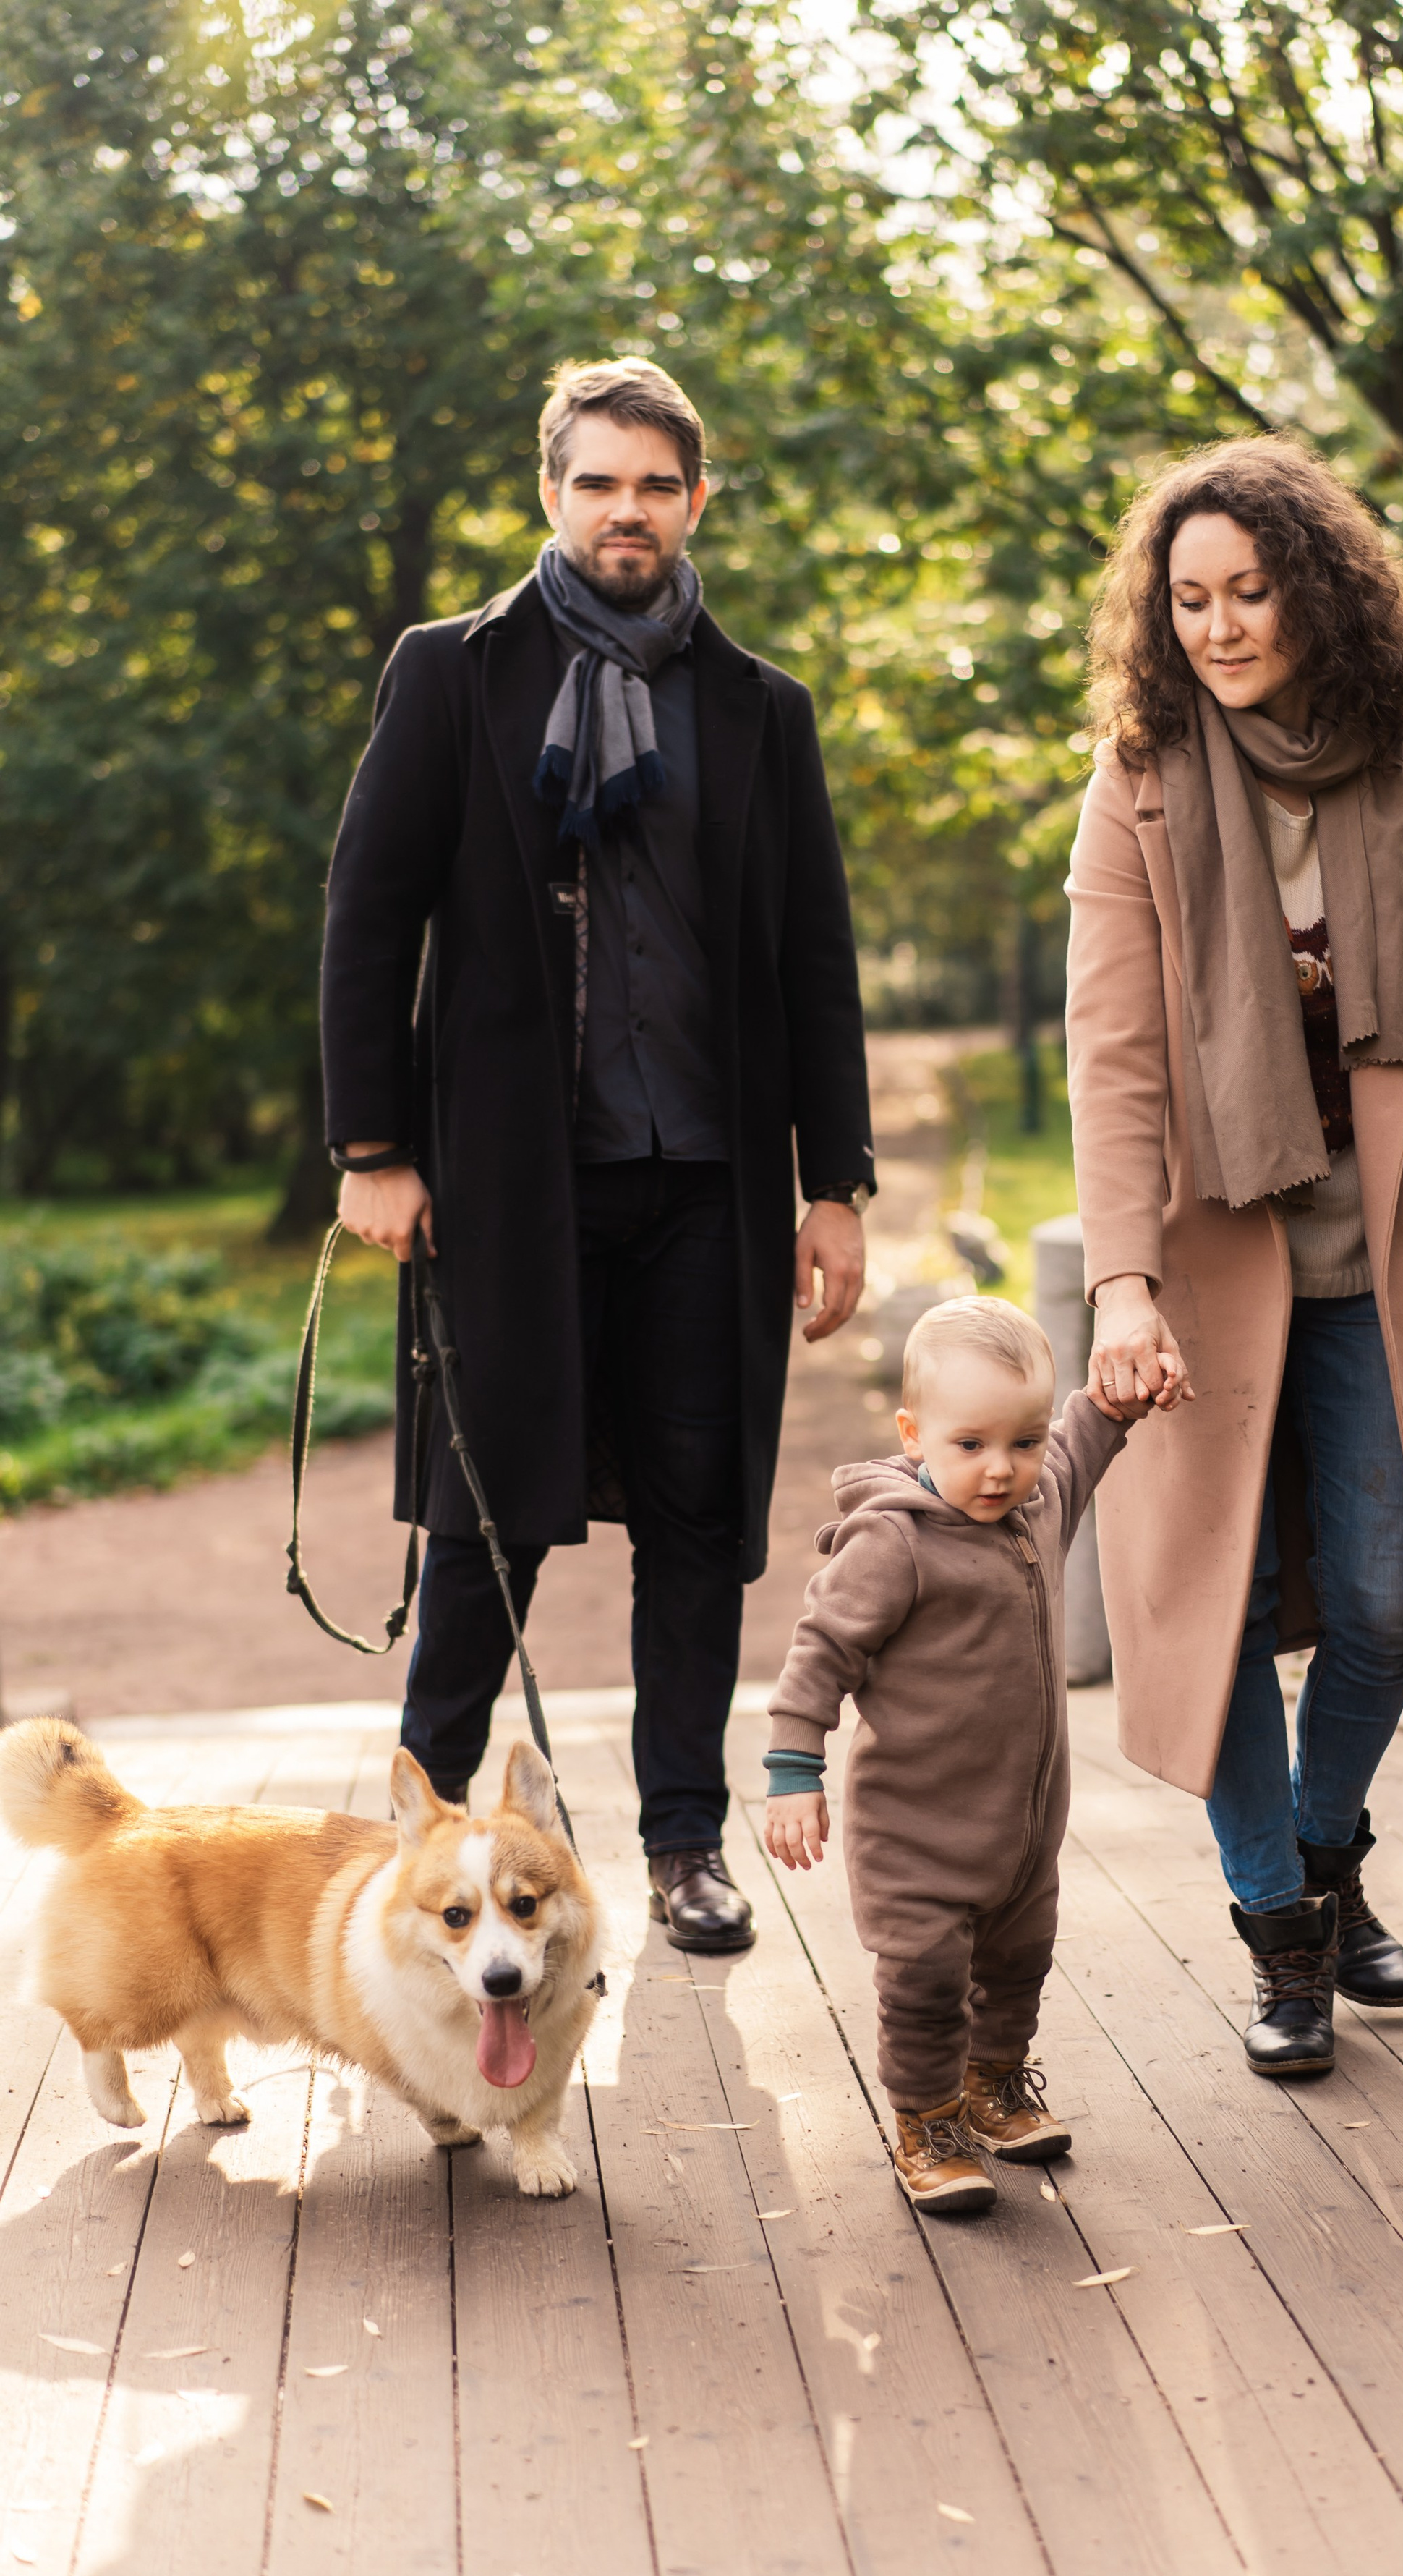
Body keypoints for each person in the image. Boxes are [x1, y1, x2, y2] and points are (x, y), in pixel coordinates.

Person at [320, 357, 875, 1955]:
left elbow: (813, 960)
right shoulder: (454, 674)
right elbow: (367, 918)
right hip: (509, 1186)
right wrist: (372, 1144)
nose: (623, 509)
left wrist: (828, 1180)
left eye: (654, 484)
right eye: (594, 481)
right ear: (548, 494)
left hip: (705, 1180)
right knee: (486, 1519)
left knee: (699, 1519)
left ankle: (684, 1842)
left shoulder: (758, 708)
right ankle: (404, 1856)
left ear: (694, 501)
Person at [1065, 437, 1403, 2079]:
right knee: (1200, 1611)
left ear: (1315, 584)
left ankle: (1325, 1855)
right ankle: (1280, 1929)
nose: (1215, 625)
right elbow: (1113, 1049)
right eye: (1185, 598)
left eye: (1248, 589)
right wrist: (1117, 1277)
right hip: (1204, 1264)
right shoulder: (1135, 775)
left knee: (1381, 1598)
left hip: (1385, 1259)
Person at [760, 1296, 1175, 2214]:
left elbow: (1086, 1436)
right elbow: (820, 1651)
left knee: (1018, 1963)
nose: (1003, 1470)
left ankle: (992, 2085)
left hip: (1023, 1833)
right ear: (914, 1435)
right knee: (924, 1982)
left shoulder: (1038, 1502)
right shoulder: (894, 1543)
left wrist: (1127, 1392)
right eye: (971, 1445)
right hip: (916, 1832)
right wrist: (794, 1773)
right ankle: (926, 2120)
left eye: (1022, 1443)